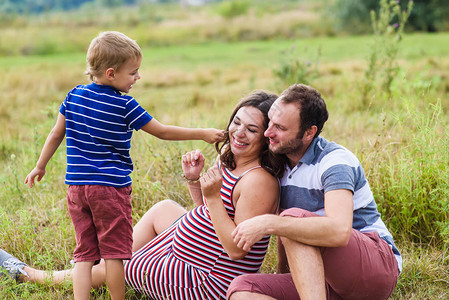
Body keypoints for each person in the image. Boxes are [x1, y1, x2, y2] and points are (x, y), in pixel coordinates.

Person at [3, 91, 283, 299]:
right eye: (236, 122)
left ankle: (36, 276)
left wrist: (210, 197)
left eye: (251, 129)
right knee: (164, 209)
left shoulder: (259, 181)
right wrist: (195, 181)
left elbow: (236, 250)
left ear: (266, 137)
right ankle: (103, 263)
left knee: (118, 262)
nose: (239, 133)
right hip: (194, 251)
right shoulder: (232, 157)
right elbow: (212, 210)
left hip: (206, 281)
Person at [23, 31, 223, 300]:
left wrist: (40, 165)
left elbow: (56, 133)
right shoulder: (125, 104)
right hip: (109, 190)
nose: (137, 78)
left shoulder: (73, 96)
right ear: (110, 73)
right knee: (114, 254)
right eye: (133, 72)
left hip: (76, 188)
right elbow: (162, 131)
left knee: (84, 254)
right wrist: (202, 132)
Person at [228, 84, 402, 300]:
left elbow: (339, 231)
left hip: (374, 268)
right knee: (242, 289)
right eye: (270, 122)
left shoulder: (334, 161)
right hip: (324, 280)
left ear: (309, 132)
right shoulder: (280, 165)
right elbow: (288, 233)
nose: (268, 132)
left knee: (293, 219)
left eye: (280, 128)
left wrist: (269, 223)